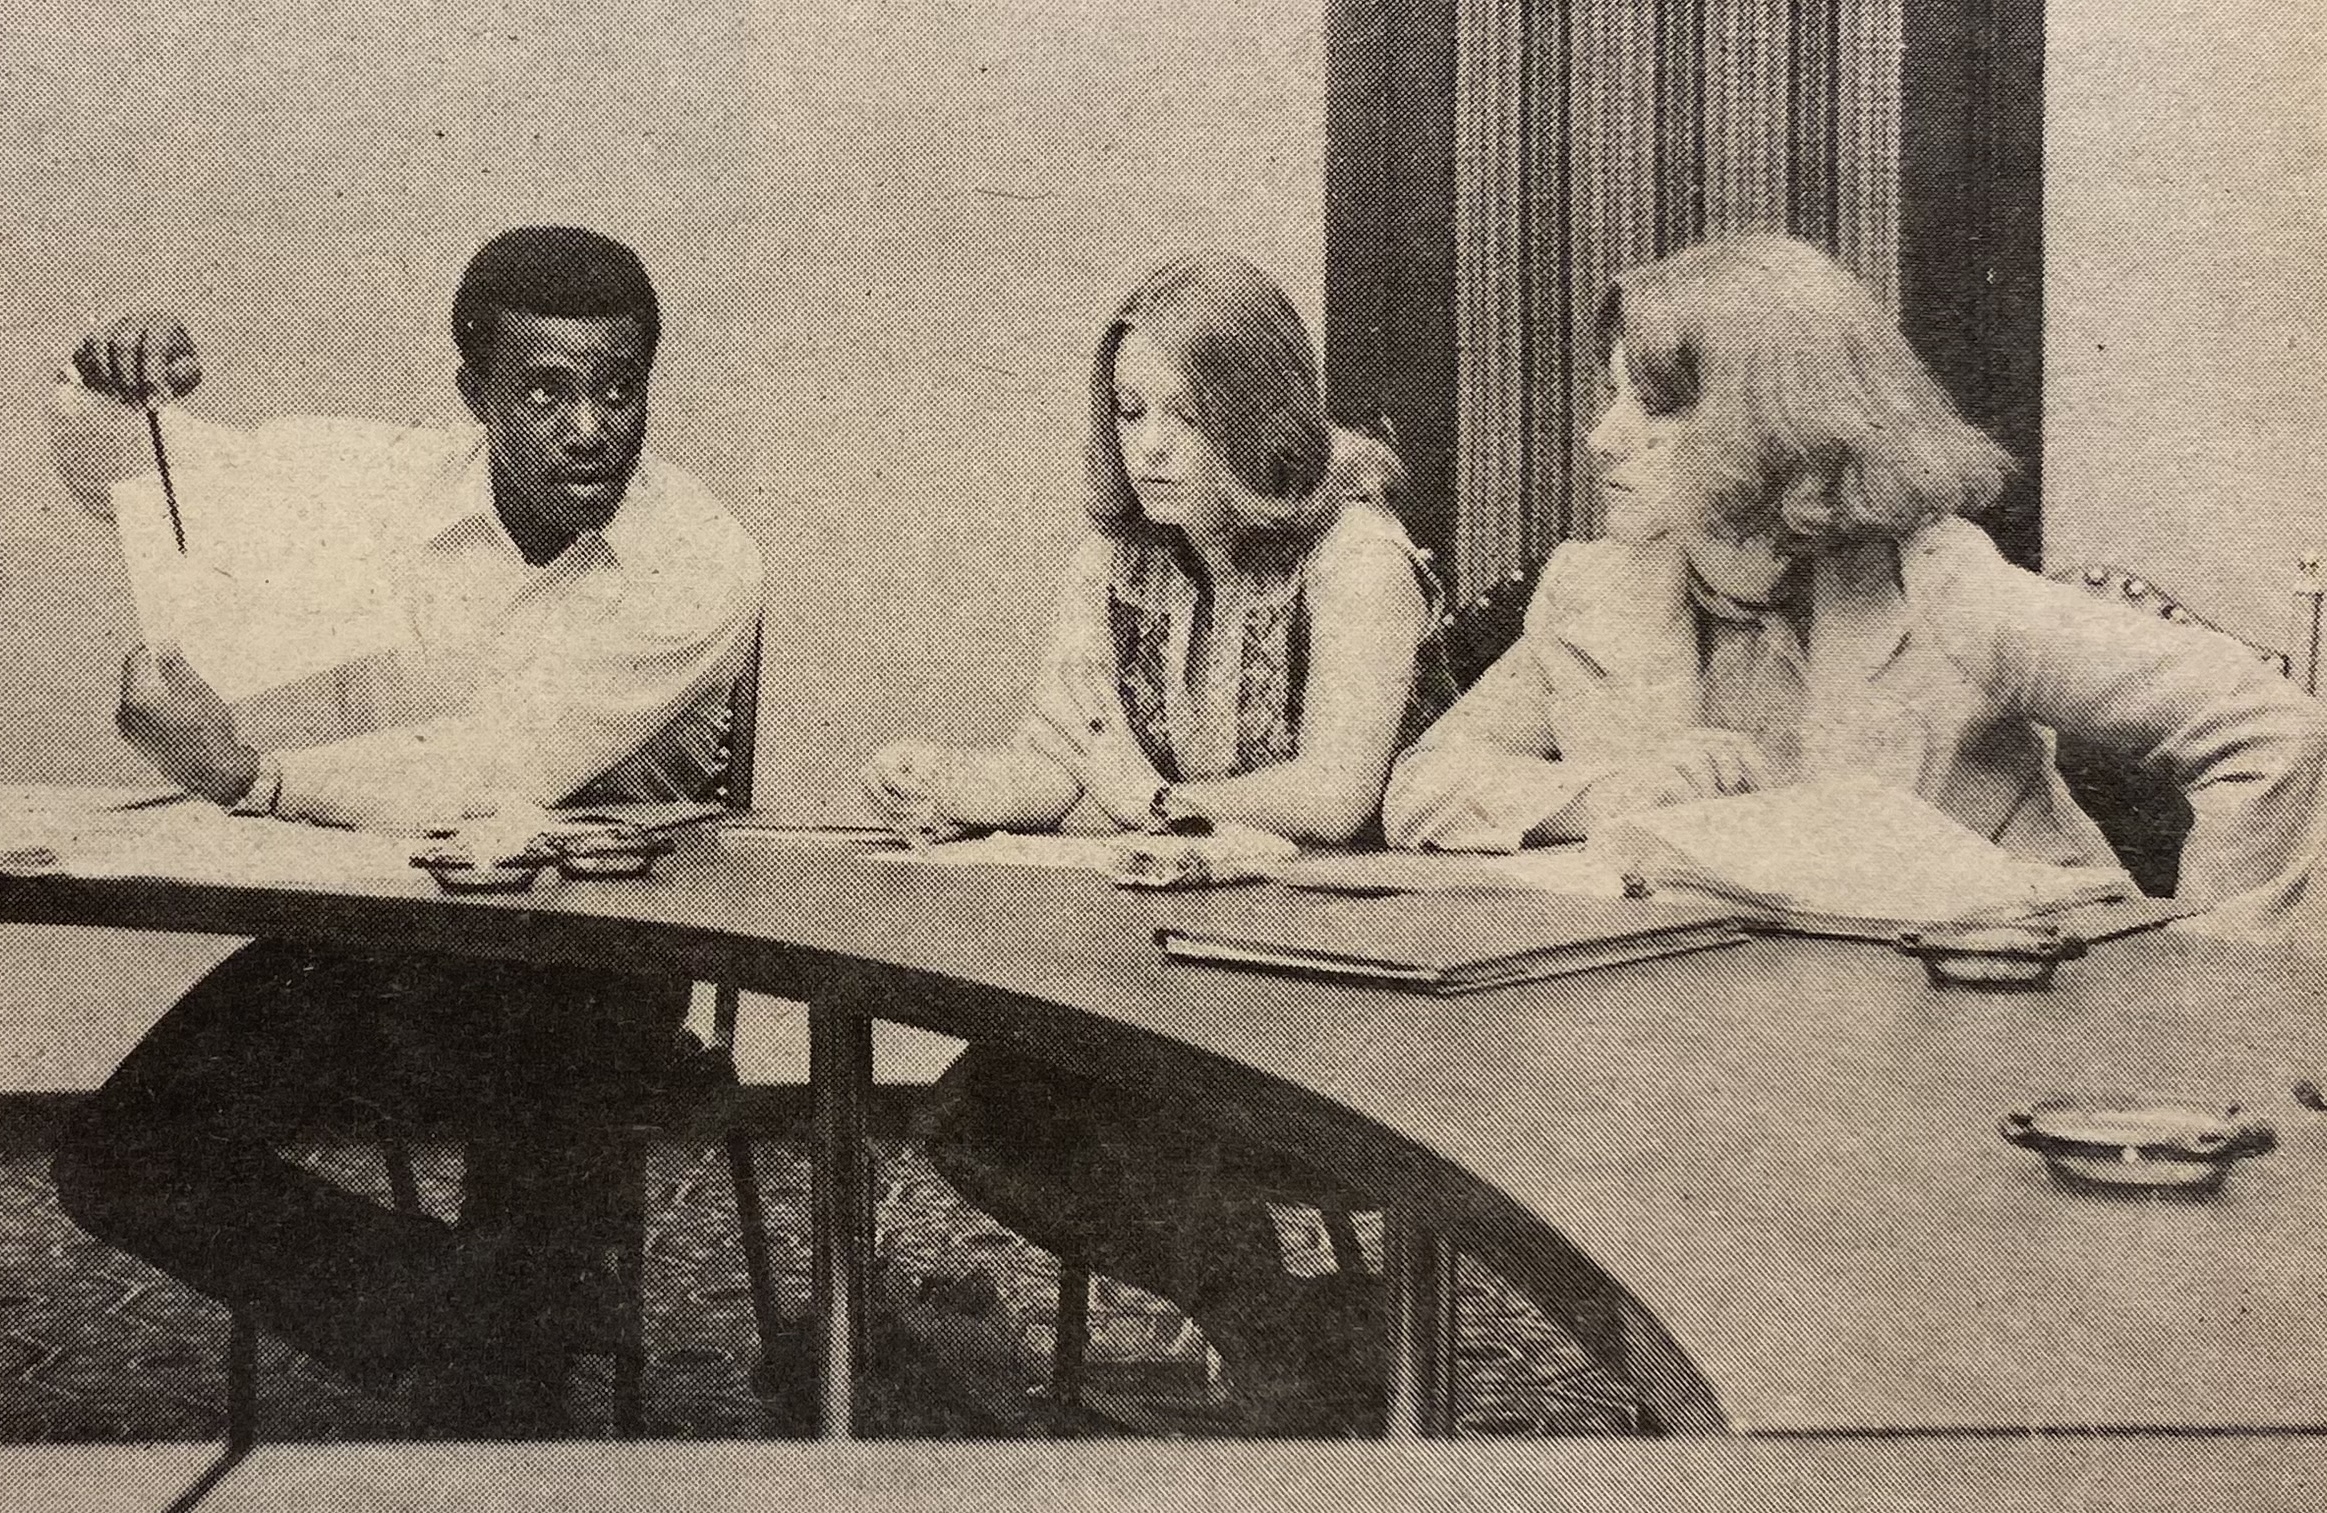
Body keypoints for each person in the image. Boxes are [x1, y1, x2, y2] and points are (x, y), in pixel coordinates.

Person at [46, 227, 766, 1433]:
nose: (591, 429)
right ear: (472, 392)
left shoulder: (700, 561)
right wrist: (107, 381)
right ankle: (481, 1315)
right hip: (383, 936)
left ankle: (500, 1341)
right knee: (123, 1156)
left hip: (600, 961)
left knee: (532, 1199)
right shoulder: (379, 483)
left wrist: (250, 776)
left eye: (619, 388)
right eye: (545, 391)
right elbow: (131, 481)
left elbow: (502, 762)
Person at [861, 254, 1456, 1433]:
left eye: (1188, 415)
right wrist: (950, 781)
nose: (1152, 448)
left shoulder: (1355, 556)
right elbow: (1056, 759)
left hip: (1366, 990)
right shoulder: (1118, 557)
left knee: (1095, 1107)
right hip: (1190, 971)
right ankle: (1282, 1325)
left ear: (1265, 411)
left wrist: (1141, 799)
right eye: (1130, 413)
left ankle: (1282, 1336)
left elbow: (1338, 799)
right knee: (984, 1112)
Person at [1384, 233, 2327, 937]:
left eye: (1654, 403)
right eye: (1610, 395)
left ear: (1777, 422)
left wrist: (2207, 985)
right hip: (1706, 1042)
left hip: (1988, 1035)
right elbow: (1423, 791)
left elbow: (2272, 732)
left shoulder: (1942, 586)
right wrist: (1605, 794)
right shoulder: (1591, 588)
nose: (1601, 438)